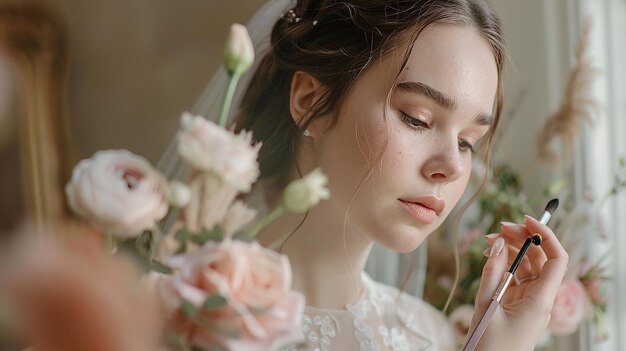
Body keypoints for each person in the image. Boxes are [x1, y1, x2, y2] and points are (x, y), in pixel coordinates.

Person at [186, 0, 570, 349]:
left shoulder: (432, 339)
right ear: (310, 101)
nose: (453, 167)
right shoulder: (182, 306)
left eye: (468, 141)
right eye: (416, 119)